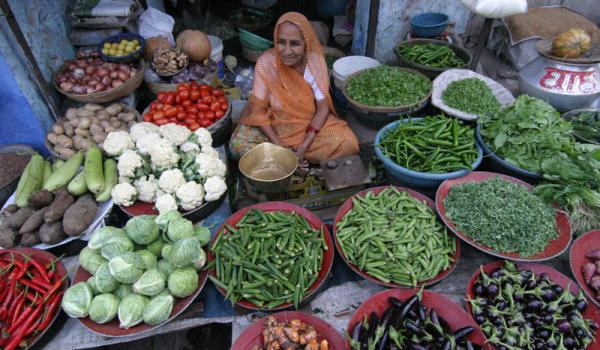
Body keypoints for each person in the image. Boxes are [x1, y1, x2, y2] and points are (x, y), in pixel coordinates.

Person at [229, 12, 359, 165]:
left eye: (295, 43)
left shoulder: (315, 62)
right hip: (274, 125)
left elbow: (322, 108)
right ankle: (290, 158)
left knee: (348, 143)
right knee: (237, 146)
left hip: (308, 125)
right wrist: (279, 147)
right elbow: (258, 112)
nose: (287, 51)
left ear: (306, 44)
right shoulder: (267, 63)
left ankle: (293, 157)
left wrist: (305, 144)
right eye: (281, 42)